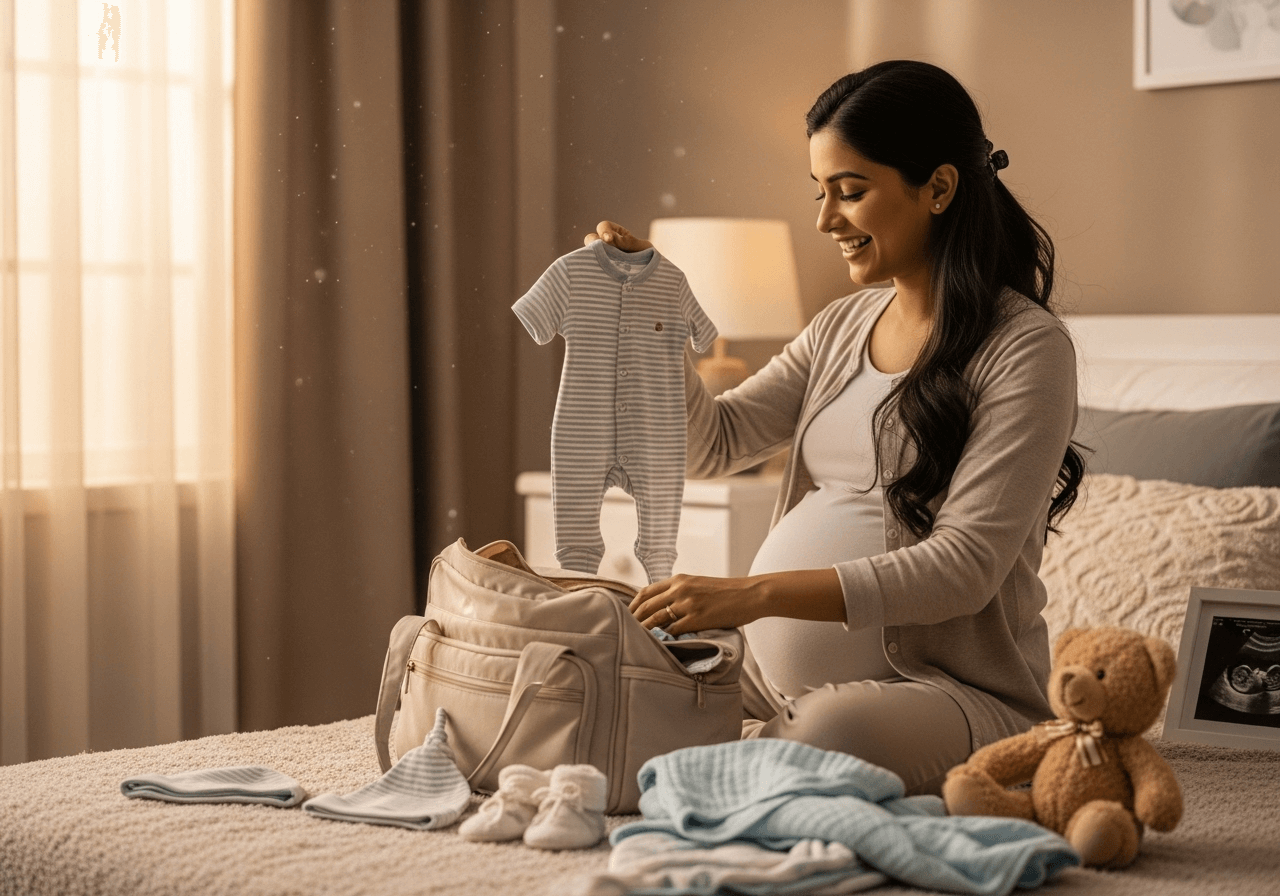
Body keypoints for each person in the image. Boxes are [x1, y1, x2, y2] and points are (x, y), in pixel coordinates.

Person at [585, 60, 1084, 797]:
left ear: (939, 188)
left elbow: (964, 567)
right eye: (820, 194)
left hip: (954, 697)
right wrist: (656, 323)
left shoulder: (1027, 348)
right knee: (607, 678)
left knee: (827, 734)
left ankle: (727, 766)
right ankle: (734, 757)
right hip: (779, 690)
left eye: (850, 192)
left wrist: (754, 595)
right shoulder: (841, 326)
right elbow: (713, 444)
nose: (825, 220)